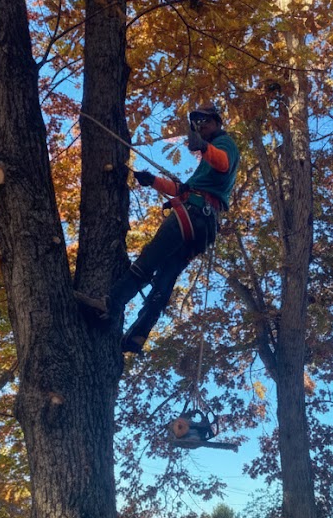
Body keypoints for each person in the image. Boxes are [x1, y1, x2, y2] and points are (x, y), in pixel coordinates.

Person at [75, 103, 240, 353]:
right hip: (202, 225)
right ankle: (139, 333)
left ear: (216, 122)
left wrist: (205, 147)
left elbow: (223, 163)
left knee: (147, 263)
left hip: (194, 214)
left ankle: (111, 304)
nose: (201, 127)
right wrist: (153, 181)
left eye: (204, 121)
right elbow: (183, 191)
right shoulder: (207, 168)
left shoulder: (224, 144)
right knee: (165, 277)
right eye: (197, 123)